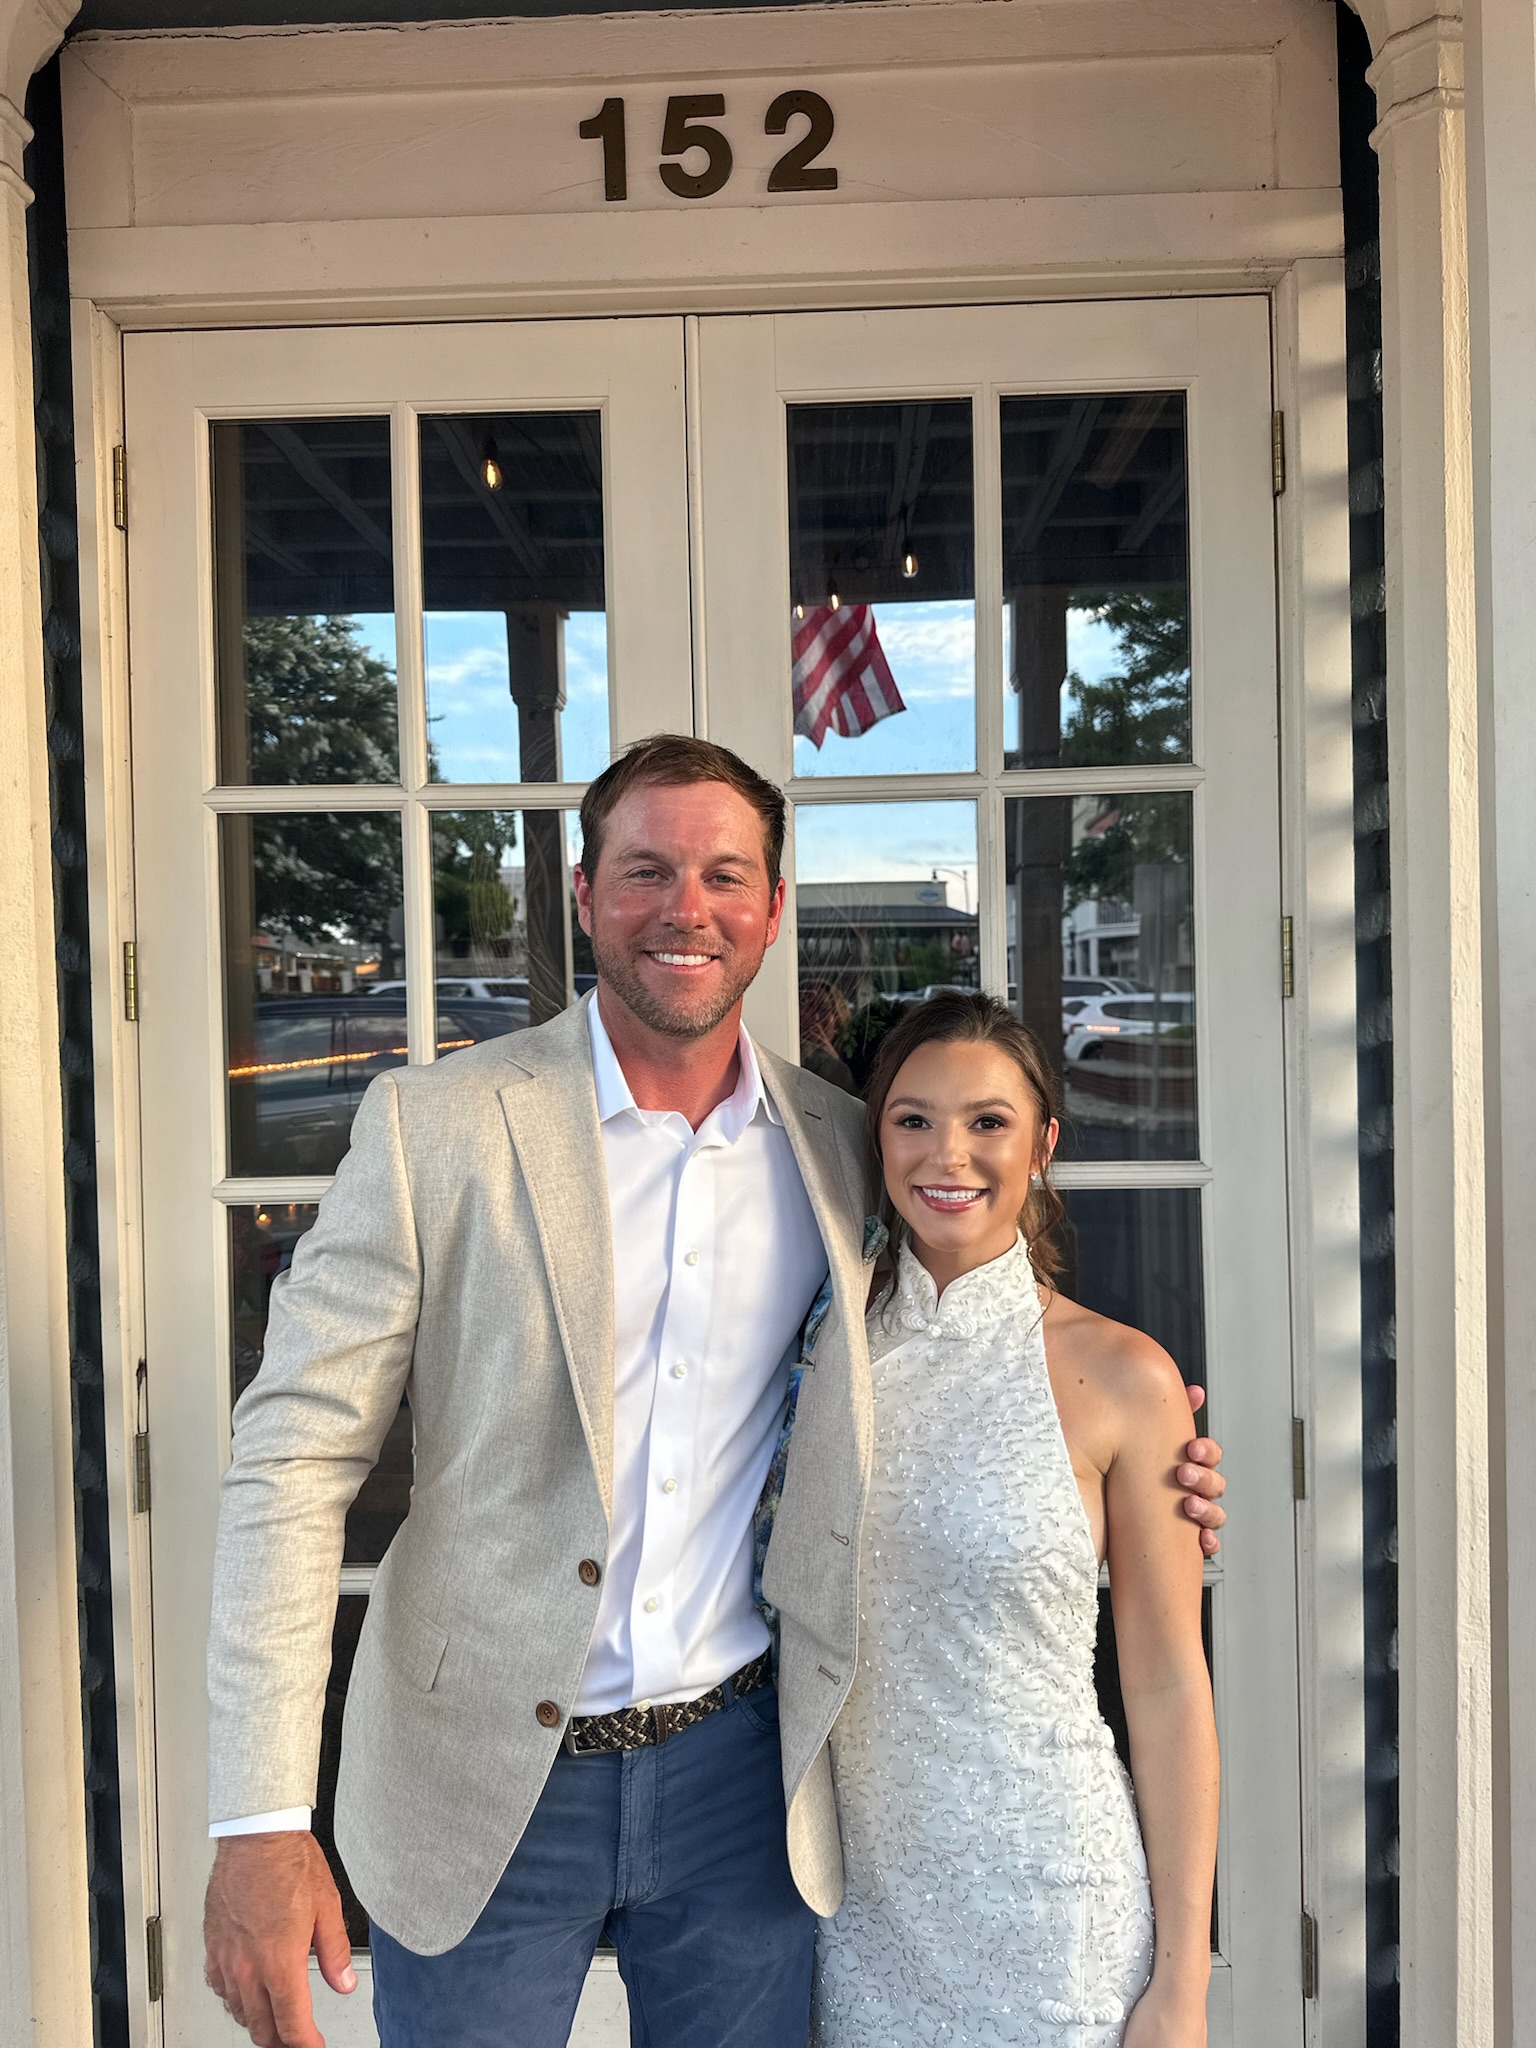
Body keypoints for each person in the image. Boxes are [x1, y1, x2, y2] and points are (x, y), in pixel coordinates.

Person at [201, 735, 1227, 2048]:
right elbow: (293, 1462)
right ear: (587, 895)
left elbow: (969, 1339)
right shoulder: (436, 1127)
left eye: (725, 875)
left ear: (772, 909)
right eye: (647, 871)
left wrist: (1141, 1463)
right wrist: (259, 1819)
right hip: (479, 1785)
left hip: (745, 1785)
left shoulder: (839, 1145)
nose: (686, 908)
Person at [808, 992, 1218, 2048]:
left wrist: (1183, 1984)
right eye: (913, 1118)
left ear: (1042, 1145)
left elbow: (1169, 1683)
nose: (948, 1153)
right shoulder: (816, 1353)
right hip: (861, 1919)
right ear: (877, 1137)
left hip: (1054, 1910)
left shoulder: (1126, 1375)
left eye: (988, 1121)